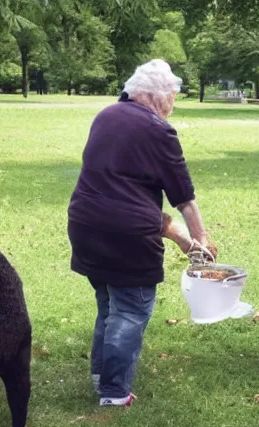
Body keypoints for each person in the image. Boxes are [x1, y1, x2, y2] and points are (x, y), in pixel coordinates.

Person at [67, 59, 212, 407]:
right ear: (154, 95)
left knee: (107, 303)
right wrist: (202, 241)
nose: (172, 106)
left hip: (85, 224)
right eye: (172, 98)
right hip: (126, 237)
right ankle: (114, 392)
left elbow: (120, 186)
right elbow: (184, 197)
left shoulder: (106, 115)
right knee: (130, 310)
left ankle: (102, 376)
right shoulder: (158, 130)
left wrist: (179, 237)